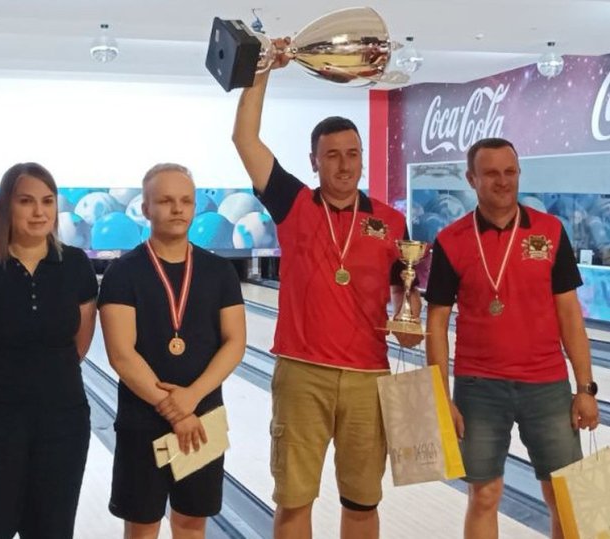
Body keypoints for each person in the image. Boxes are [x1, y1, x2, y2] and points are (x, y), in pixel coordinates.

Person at [231, 46, 421, 539]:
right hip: (302, 374)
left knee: (362, 502)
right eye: (331, 156)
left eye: (352, 154)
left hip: (368, 377)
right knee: (294, 503)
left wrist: (409, 313)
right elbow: (244, 138)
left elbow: (406, 302)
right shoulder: (294, 204)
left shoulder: (391, 220)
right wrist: (262, 72)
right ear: (313, 161)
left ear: (362, 158)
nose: (343, 165)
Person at [425, 137, 599, 539]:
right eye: (491, 173)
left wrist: (585, 387)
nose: (503, 181)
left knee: (566, 495)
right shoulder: (451, 241)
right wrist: (439, 397)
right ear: (472, 179)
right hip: (479, 387)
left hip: (547, 385)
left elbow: (570, 315)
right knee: (484, 495)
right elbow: (437, 323)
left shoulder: (551, 231)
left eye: (510, 172)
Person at [0, 162, 97, 539]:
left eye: (47, 201)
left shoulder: (75, 264)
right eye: (26, 201)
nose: (39, 211)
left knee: (52, 529)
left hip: (61, 423)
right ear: (5, 207)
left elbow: (79, 344)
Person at [98, 163, 246, 539]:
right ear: (145, 208)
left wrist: (192, 400)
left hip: (203, 419)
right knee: (142, 525)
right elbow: (121, 354)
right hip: (141, 420)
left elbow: (235, 342)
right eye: (165, 201)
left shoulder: (219, 272)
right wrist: (175, 412)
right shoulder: (123, 273)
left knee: (192, 523)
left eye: (185, 200)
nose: (177, 209)